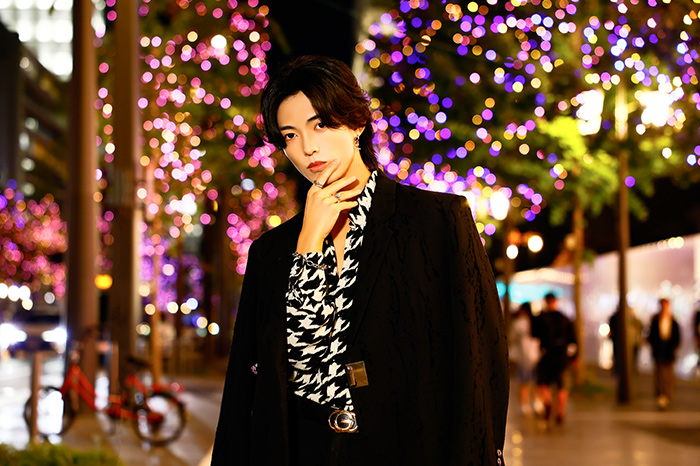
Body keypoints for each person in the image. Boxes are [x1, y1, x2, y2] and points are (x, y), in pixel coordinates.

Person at [211, 56, 508, 466]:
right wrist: (309, 242)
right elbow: (254, 382)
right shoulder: (271, 252)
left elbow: (481, 362)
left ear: (357, 123)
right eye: (290, 135)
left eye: (320, 125)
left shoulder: (437, 221)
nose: (307, 147)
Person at [531, 292, 577, 424]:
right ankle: (560, 412)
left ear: (546, 301)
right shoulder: (565, 319)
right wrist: (574, 357)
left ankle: (548, 402)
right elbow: (573, 339)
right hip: (562, 355)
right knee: (561, 385)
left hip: (546, 354)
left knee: (542, 383)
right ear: (556, 301)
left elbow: (534, 335)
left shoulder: (540, 318)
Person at [647, 298, 680, 409]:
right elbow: (651, 336)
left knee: (668, 374)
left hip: (669, 351)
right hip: (658, 351)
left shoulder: (673, 321)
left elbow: (677, 337)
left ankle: (667, 394)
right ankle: (660, 394)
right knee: (659, 373)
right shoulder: (655, 320)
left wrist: (674, 348)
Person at [508, 302, 539, 416]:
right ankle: (537, 402)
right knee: (535, 381)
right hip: (535, 354)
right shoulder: (535, 322)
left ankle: (524, 405)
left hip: (522, 356)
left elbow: (512, 338)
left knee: (523, 381)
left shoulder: (517, 323)